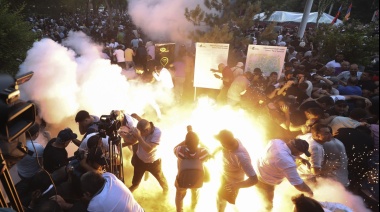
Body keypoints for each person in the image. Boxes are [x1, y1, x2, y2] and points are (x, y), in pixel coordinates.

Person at [254, 138, 314, 210]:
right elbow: (299, 185)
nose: (300, 154)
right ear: (297, 151)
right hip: (265, 183)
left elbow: (288, 152)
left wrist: (300, 159)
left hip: (255, 172)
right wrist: (310, 192)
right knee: (267, 207)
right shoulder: (286, 161)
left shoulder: (276, 142)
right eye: (301, 153)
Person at [213, 130, 258, 212]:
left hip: (232, 182)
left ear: (226, 145)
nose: (220, 144)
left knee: (220, 199)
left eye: (221, 142)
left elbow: (254, 179)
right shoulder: (232, 141)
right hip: (224, 174)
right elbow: (221, 147)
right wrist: (214, 153)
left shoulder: (242, 158)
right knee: (220, 196)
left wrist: (236, 185)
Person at [174, 127, 210, 212]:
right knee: (195, 192)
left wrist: (187, 138)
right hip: (196, 180)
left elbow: (175, 147)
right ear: (198, 142)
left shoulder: (180, 151)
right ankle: (193, 208)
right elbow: (208, 150)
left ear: (186, 142)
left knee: (180, 196)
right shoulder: (203, 152)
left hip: (182, 180)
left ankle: (179, 210)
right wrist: (199, 141)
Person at [128, 119, 169, 193]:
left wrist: (139, 137)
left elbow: (148, 149)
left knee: (161, 179)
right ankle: (127, 194)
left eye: (141, 133)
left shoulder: (158, 133)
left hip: (153, 162)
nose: (140, 134)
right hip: (140, 160)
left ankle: (166, 192)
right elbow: (132, 141)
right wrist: (126, 134)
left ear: (146, 130)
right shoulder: (141, 130)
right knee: (135, 184)